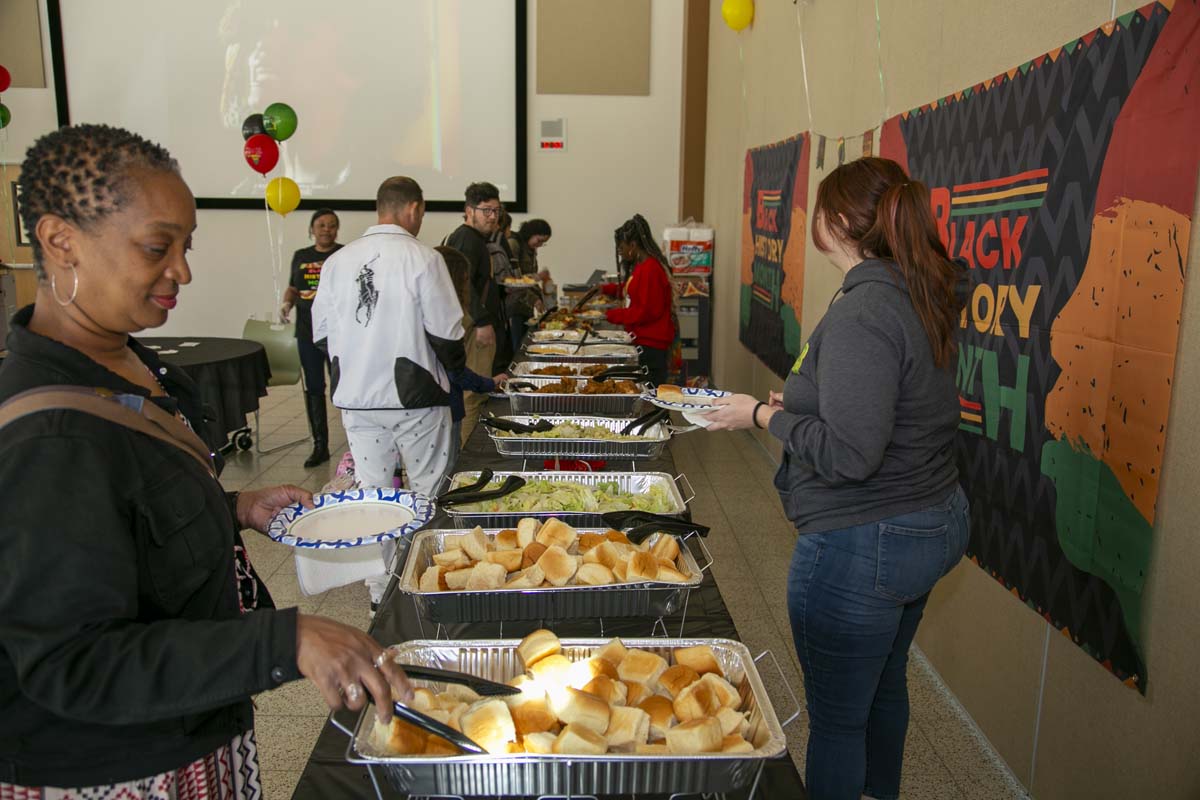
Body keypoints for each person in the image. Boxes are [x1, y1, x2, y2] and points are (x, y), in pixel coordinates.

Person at [0, 124, 412, 795]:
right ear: (59, 240)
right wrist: (283, 641)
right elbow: (70, 661)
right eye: (157, 247)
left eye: (186, 247)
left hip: (189, 728)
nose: (183, 271)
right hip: (118, 770)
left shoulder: (125, 361)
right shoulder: (48, 438)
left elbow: (112, 521)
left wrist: (233, 508)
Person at [705, 157, 969, 800]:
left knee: (837, 721)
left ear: (841, 222)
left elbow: (853, 454)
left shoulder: (863, 310)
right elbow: (890, 404)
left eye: (819, 209)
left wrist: (761, 414)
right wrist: (804, 404)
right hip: (928, 519)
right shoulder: (916, 290)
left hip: (866, 539)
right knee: (884, 685)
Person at [310, 176, 465, 606]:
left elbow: (320, 334)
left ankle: (380, 592)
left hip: (356, 399)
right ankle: (423, 588)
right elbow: (448, 335)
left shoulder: (337, 261)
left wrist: (359, 362)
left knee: (373, 494)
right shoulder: (423, 258)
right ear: (414, 209)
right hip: (415, 397)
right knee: (426, 491)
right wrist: (453, 375)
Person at [435, 245, 508, 469]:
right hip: (447, 404)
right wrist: (487, 383)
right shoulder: (449, 310)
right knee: (449, 463)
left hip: (431, 403)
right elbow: (456, 370)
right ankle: (466, 464)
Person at [281, 208, 342, 468]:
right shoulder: (301, 256)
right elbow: (294, 288)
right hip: (307, 333)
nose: (326, 229)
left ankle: (358, 441)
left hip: (337, 334)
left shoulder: (344, 254)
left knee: (343, 388)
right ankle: (320, 446)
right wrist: (286, 304)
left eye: (331, 225)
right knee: (314, 388)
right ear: (312, 229)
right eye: (321, 225)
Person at [444, 181, 505, 445]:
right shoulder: (467, 238)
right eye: (486, 211)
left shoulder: (473, 239)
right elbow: (462, 283)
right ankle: (467, 457)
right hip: (472, 326)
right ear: (469, 210)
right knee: (473, 394)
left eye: (496, 211)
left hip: (474, 323)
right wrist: (481, 321)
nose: (492, 217)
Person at [602, 214, 677, 385]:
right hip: (643, 340)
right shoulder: (642, 266)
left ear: (633, 245)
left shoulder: (650, 269)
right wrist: (606, 289)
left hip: (652, 344)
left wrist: (612, 315)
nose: (620, 253)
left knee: (651, 394)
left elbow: (646, 312)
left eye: (621, 248)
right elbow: (633, 292)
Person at [507, 218, 553, 352]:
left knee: (525, 342)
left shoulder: (530, 250)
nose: (539, 245)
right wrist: (538, 278)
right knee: (518, 348)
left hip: (525, 304)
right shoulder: (514, 245)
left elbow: (529, 279)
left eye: (543, 243)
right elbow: (515, 280)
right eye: (539, 241)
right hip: (514, 305)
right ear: (530, 233)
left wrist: (539, 298)